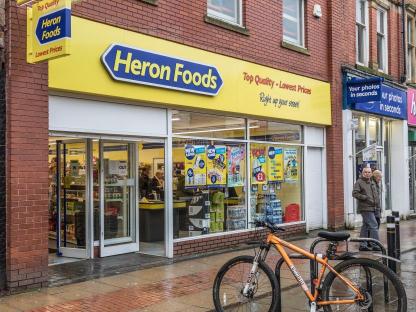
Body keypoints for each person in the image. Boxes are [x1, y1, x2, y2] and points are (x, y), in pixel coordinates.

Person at [352, 166, 381, 251]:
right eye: (365, 172)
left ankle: (363, 245)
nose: (367, 174)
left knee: (366, 226)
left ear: (371, 174)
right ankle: (375, 245)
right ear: (362, 173)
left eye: (369, 172)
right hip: (365, 208)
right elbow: (354, 193)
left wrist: (377, 206)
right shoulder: (359, 182)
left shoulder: (372, 182)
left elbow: (375, 195)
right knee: (374, 225)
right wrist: (364, 197)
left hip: (373, 207)